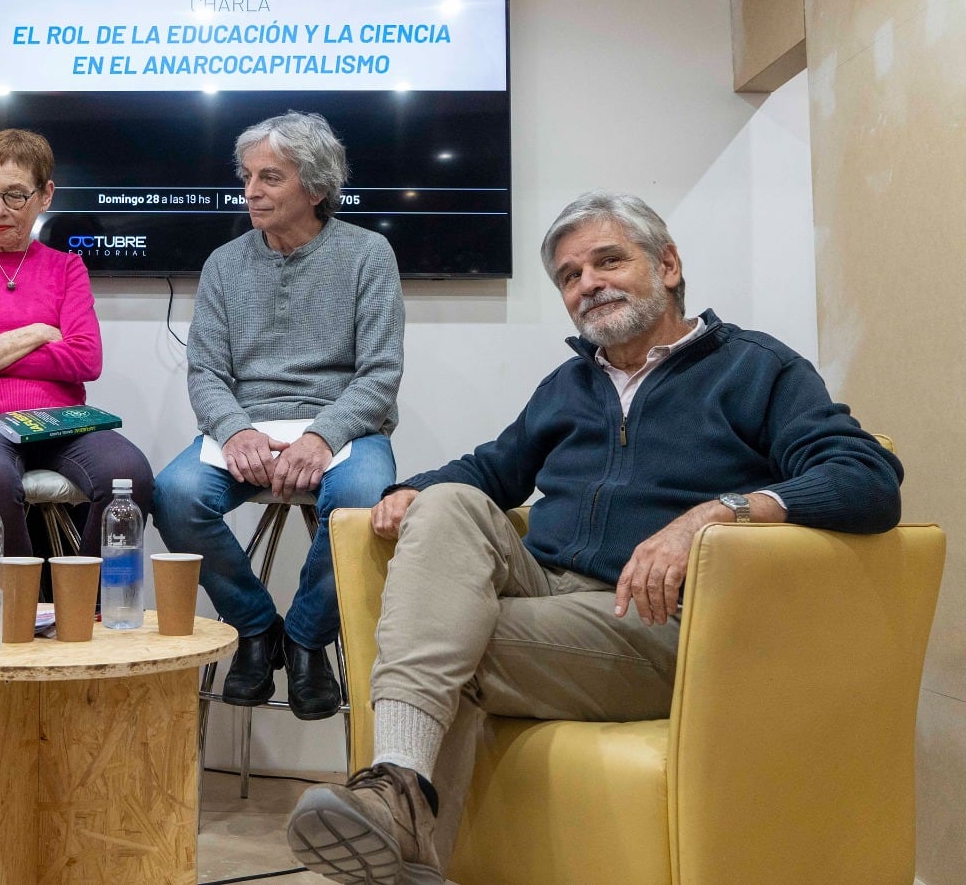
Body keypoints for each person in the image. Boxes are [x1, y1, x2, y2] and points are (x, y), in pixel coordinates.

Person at [285, 190, 903, 884]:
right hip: (549, 591)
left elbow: (867, 478)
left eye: (608, 261)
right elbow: (492, 470)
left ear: (667, 265)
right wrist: (410, 490)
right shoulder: (570, 384)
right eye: (570, 276)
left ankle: (398, 817)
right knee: (450, 503)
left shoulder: (758, 369)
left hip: (661, 620)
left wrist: (716, 513)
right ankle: (401, 799)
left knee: (438, 639)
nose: (588, 284)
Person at [153, 111, 403, 721]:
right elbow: (205, 372)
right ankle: (255, 626)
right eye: (247, 176)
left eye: (270, 177)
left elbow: (379, 374)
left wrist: (322, 436)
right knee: (174, 494)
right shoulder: (224, 263)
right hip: (250, 426)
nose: (251, 191)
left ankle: (308, 637)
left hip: (342, 427)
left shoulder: (368, 254)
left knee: (363, 497)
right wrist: (235, 429)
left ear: (315, 188)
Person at [0, 128, 153, 559]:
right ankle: (20, 600)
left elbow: (85, 358)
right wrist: (38, 332)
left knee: (129, 474)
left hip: (61, 422)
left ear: (45, 195)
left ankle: (88, 596)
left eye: (15, 195)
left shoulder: (67, 268)